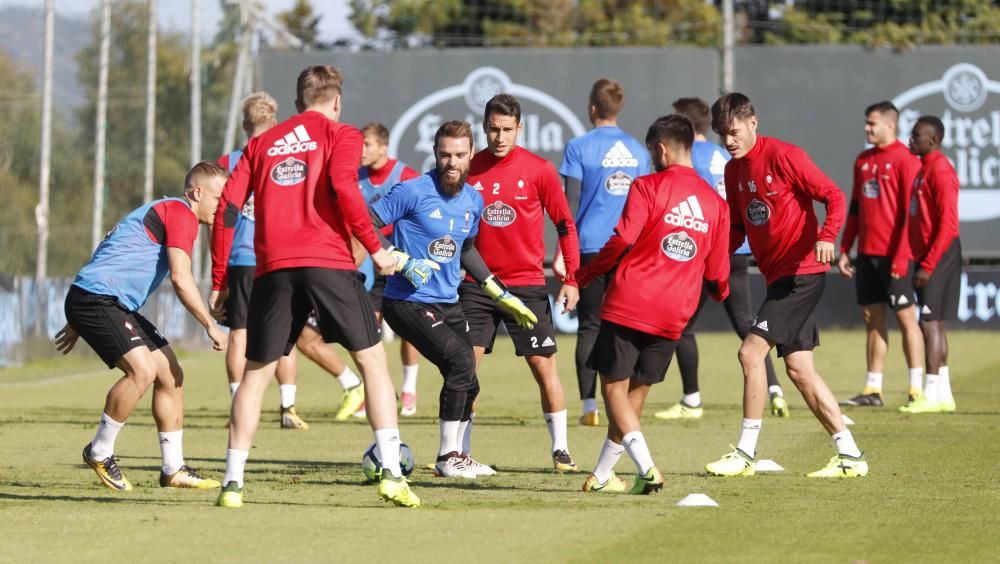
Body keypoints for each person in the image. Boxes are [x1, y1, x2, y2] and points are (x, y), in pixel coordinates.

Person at [209, 65, 419, 508]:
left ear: (297, 104)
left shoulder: (261, 143)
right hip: (328, 261)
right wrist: (376, 247)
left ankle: (232, 483)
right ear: (337, 102)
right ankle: (393, 475)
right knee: (372, 362)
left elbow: (228, 205)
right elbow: (345, 188)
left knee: (254, 376)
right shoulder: (341, 135)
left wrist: (220, 277)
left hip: (271, 269)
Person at [704, 93, 869, 478]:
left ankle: (744, 453)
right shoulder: (732, 172)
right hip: (779, 279)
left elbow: (834, 196)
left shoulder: (784, 155)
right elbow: (738, 228)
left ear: (752, 123)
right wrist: (716, 268)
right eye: (722, 135)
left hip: (803, 273)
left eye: (733, 132)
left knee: (750, 353)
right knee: (800, 370)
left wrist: (828, 235)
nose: (728, 141)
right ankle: (850, 456)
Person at [372, 120, 537, 478]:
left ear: (471, 155)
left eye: (459, 155)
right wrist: (399, 259)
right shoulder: (411, 191)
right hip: (407, 301)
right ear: (435, 153)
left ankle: (460, 453)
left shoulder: (474, 199)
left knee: (469, 380)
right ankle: (448, 458)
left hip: (450, 302)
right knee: (462, 362)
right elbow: (364, 223)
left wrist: (497, 290)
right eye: (445, 154)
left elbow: (466, 249)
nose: (452, 162)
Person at [575, 114, 731, 494]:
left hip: (631, 301)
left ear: (661, 149)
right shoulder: (716, 204)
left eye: (650, 152)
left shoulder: (646, 186)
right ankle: (602, 475)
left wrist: (584, 275)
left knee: (613, 391)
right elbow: (718, 273)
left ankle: (648, 467)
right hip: (674, 315)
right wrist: (718, 292)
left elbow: (621, 238)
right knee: (635, 397)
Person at [55, 162, 229, 492]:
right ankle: (100, 451)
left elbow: (109, 250)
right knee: (143, 371)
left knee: (171, 375)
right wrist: (210, 324)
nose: (221, 207)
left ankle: (173, 469)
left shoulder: (167, 210)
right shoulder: (181, 214)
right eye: (218, 199)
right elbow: (180, 277)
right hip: (98, 299)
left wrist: (78, 318)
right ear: (197, 193)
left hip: (104, 300)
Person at [216, 92, 366, 428]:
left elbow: (221, 214)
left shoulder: (229, 162)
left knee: (240, 334)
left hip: (243, 259)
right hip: (283, 255)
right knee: (290, 334)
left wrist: (218, 277)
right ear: (277, 121)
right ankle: (289, 407)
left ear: (243, 124)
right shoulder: (292, 148)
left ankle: (237, 407)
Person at [461, 93, 581, 473]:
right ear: (484, 128)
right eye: (494, 129)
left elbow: (565, 224)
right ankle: (456, 451)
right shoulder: (469, 167)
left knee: (544, 368)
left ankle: (561, 449)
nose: (500, 136)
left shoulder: (540, 170)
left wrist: (572, 277)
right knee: (464, 369)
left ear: (520, 129)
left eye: (507, 130)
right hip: (476, 284)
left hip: (526, 284)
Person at [654, 97, 789, 421]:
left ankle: (691, 399)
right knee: (746, 324)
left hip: (711, 251)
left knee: (681, 325)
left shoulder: (687, 158)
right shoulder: (723, 156)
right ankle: (774, 389)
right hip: (739, 252)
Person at [558, 78, 649, 427]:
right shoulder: (639, 151)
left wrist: (562, 253)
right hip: (629, 248)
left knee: (589, 327)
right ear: (618, 108)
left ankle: (588, 406)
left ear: (592, 108)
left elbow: (570, 203)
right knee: (626, 326)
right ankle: (624, 398)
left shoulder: (579, 147)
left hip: (590, 247)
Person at [837, 101, 925, 409]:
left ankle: (917, 388)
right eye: (866, 122)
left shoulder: (906, 160)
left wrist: (902, 256)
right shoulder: (863, 160)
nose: (866, 128)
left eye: (871, 123)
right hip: (867, 255)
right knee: (872, 319)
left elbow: (909, 215)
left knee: (905, 318)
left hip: (895, 255)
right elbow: (856, 208)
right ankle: (873, 389)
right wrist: (846, 247)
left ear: (890, 125)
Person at [356, 122, 423, 418]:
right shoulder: (354, 178)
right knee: (368, 330)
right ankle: (374, 390)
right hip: (369, 266)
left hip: (400, 262)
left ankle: (409, 389)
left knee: (409, 329)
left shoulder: (405, 175)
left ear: (383, 147)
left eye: (366, 144)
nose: (361, 150)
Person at [898, 116, 961, 414]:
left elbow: (948, 225)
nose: (910, 139)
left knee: (929, 322)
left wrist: (929, 265)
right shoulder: (924, 169)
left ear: (933, 140)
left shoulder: (940, 170)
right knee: (933, 322)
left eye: (917, 135)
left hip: (940, 254)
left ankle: (931, 393)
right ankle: (944, 394)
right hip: (927, 255)